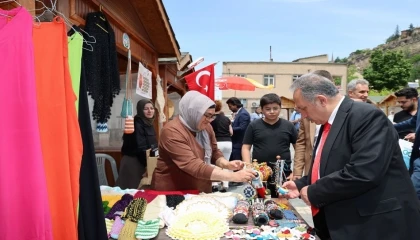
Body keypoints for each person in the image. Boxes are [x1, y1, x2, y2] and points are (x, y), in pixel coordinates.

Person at [283, 73, 420, 240]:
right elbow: (331, 164)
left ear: (321, 100)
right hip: (344, 221)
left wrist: (314, 191)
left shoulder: (366, 116)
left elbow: (364, 171)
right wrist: (301, 184)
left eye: (303, 108)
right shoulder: (329, 122)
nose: (303, 116)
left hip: (374, 224)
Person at [151, 91, 255, 193]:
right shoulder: (172, 131)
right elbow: (193, 165)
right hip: (173, 190)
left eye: (212, 116)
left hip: (198, 187)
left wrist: (226, 164)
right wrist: (234, 176)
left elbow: (214, 151)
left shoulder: (206, 127)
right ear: (193, 112)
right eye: (207, 115)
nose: (210, 120)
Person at [242, 93, 297, 197]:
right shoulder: (254, 126)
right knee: (260, 201)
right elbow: (246, 147)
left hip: (283, 172)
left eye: (275, 108)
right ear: (261, 109)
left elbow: (298, 148)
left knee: (282, 201)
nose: (272, 112)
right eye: (268, 109)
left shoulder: (288, 126)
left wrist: (296, 171)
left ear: (280, 108)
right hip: (259, 173)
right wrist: (248, 168)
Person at [292, 70, 333, 180]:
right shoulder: (307, 114)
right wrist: (297, 172)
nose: (304, 115)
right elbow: (301, 143)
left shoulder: (349, 117)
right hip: (312, 172)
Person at [116, 99, 158, 189]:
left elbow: (152, 144)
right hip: (133, 162)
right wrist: (148, 165)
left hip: (143, 160)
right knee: (131, 192)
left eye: (151, 108)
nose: (150, 111)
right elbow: (141, 147)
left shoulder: (148, 123)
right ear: (140, 110)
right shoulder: (136, 123)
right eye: (146, 109)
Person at [211, 100, 233, 189]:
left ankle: (215, 184)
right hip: (228, 142)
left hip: (217, 142)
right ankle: (225, 184)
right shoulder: (226, 119)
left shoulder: (211, 119)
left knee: (216, 163)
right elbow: (231, 132)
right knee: (226, 164)